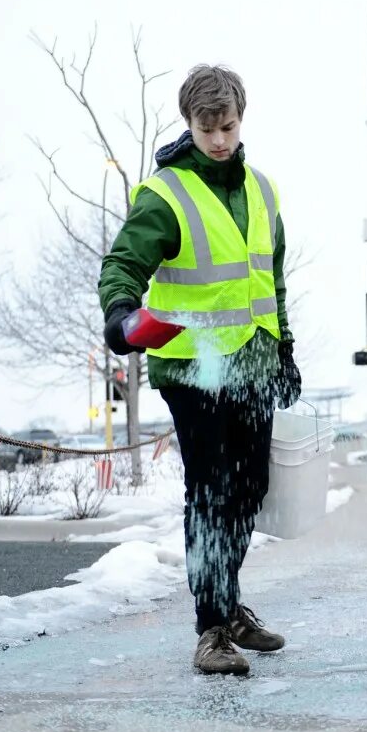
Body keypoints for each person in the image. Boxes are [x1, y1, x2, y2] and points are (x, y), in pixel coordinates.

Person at [98, 64, 301, 675]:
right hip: (192, 368)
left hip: (254, 362)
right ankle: (211, 629)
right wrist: (121, 313)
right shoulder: (166, 193)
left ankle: (229, 603)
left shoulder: (263, 190)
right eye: (206, 128)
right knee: (211, 491)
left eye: (228, 126)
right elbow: (124, 262)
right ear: (189, 124)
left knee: (248, 491)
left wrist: (285, 349)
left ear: (242, 120)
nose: (219, 139)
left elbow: (274, 278)